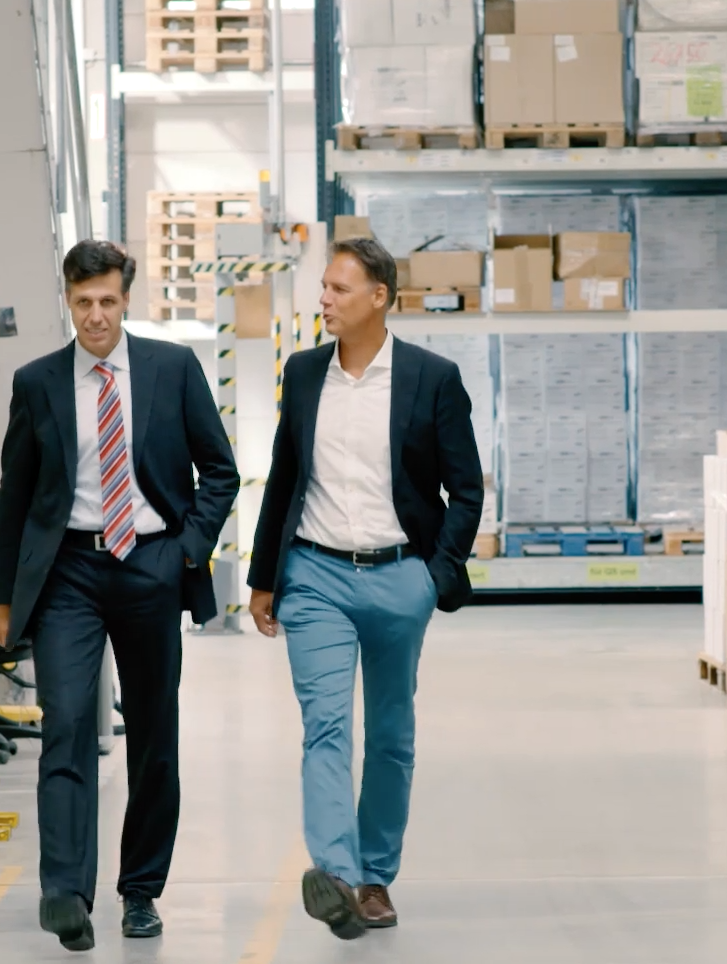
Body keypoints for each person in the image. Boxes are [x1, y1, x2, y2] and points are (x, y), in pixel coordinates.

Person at [0, 240, 238, 952]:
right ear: (66, 300)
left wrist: (187, 551)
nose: (95, 316)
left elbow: (219, 471)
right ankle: (64, 890)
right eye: (82, 302)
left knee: (155, 735)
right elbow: (16, 492)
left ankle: (140, 892)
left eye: (107, 301)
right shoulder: (38, 382)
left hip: (151, 564)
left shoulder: (172, 368)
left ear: (126, 300)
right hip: (69, 571)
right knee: (64, 723)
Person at [247, 238, 485, 940]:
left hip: (398, 577)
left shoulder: (431, 378)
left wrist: (430, 579)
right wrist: (265, 578)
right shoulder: (305, 372)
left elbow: (466, 490)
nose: (324, 299)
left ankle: (375, 875)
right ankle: (339, 876)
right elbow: (284, 478)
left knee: (389, 735)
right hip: (314, 574)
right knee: (324, 724)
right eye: (323, 287)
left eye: (338, 289)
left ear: (379, 297)